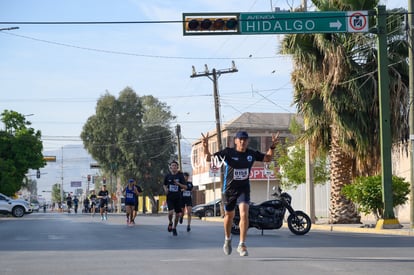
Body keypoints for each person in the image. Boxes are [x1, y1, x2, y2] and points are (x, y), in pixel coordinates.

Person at [202, 130, 279, 256]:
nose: (242, 142)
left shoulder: (251, 154)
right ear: (236, 141)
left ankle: (242, 245)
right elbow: (209, 158)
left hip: (244, 188)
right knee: (229, 216)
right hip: (229, 190)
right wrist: (205, 147)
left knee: (244, 214)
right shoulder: (228, 152)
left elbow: (268, 158)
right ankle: (227, 239)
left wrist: (273, 146)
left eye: (245, 139)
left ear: (248, 141)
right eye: (240, 139)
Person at [163, 160, 187, 236]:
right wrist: (166, 189)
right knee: (170, 212)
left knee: (177, 215)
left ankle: (174, 228)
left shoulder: (180, 176)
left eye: (175, 166)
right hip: (170, 197)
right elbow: (164, 184)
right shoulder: (167, 176)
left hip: (178, 197)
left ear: (177, 167)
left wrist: (178, 184)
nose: (174, 167)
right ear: (170, 167)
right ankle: (170, 222)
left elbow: (185, 187)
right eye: (172, 166)